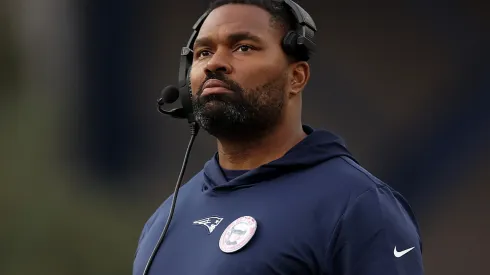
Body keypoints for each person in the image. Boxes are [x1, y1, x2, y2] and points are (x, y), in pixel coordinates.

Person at [133, 0, 424, 274]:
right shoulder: (164, 220)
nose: (215, 63)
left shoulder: (359, 205)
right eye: (203, 53)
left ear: (296, 77)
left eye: (243, 47)